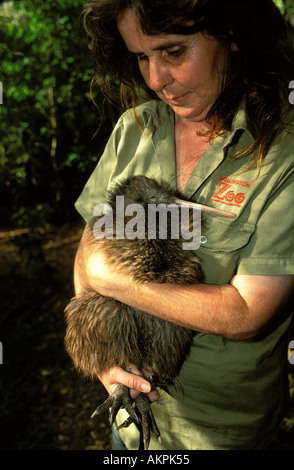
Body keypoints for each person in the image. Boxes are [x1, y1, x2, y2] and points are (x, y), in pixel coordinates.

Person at [73, 0, 294, 450]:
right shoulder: (134, 128)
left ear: (231, 36)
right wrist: (105, 363)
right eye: (141, 56)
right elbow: (86, 254)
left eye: (173, 52)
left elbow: (247, 313)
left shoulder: (283, 153)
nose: (155, 80)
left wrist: (109, 278)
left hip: (223, 434)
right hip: (130, 422)